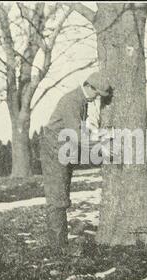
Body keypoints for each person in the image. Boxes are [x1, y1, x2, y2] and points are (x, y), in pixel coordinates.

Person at [40, 72, 112, 252]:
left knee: (60, 198)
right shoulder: (72, 101)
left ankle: (59, 245)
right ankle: (59, 248)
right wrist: (103, 143)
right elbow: (77, 136)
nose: (97, 98)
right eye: (97, 94)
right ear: (89, 87)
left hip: (64, 150)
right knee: (57, 200)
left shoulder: (80, 100)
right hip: (55, 152)